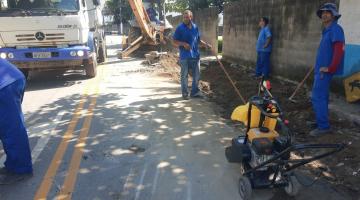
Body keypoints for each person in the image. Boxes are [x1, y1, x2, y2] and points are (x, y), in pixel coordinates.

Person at [310, 3, 345, 137]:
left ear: (334, 15)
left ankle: (323, 126)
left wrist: (330, 68)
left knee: (317, 97)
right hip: (320, 70)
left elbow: (339, 50)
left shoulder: (336, 29)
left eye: (328, 12)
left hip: (325, 72)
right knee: (321, 97)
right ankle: (320, 121)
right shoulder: (327, 30)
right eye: (323, 12)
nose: (324, 14)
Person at [0, 58, 33, 184]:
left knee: (11, 130)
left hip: (5, 85)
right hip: (11, 79)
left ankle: (21, 170)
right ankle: (13, 165)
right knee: (8, 128)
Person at [173, 10, 212, 100]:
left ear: (191, 17)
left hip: (195, 55)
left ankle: (194, 92)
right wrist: (183, 44)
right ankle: (185, 94)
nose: (185, 19)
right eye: (184, 17)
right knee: (184, 76)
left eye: (187, 17)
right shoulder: (180, 28)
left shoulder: (195, 27)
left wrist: (206, 45)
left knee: (197, 75)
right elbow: (174, 41)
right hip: (184, 56)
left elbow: (198, 40)